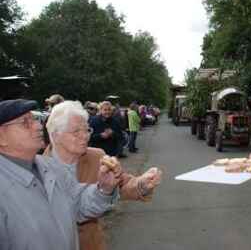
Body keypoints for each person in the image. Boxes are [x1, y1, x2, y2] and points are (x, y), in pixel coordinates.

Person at [0, 99, 119, 250]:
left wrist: (104, 189)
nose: (38, 126)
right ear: (1, 137)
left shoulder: (50, 167)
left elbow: (79, 203)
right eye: (25, 122)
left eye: (35, 119)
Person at [43, 101, 162, 250]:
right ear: (55, 134)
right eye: (76, 131)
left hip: (91, 244)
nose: (85, 136)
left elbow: (122, 183)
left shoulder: (96, 156)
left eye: (87, 130)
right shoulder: (38, 167)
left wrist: (142, 184)